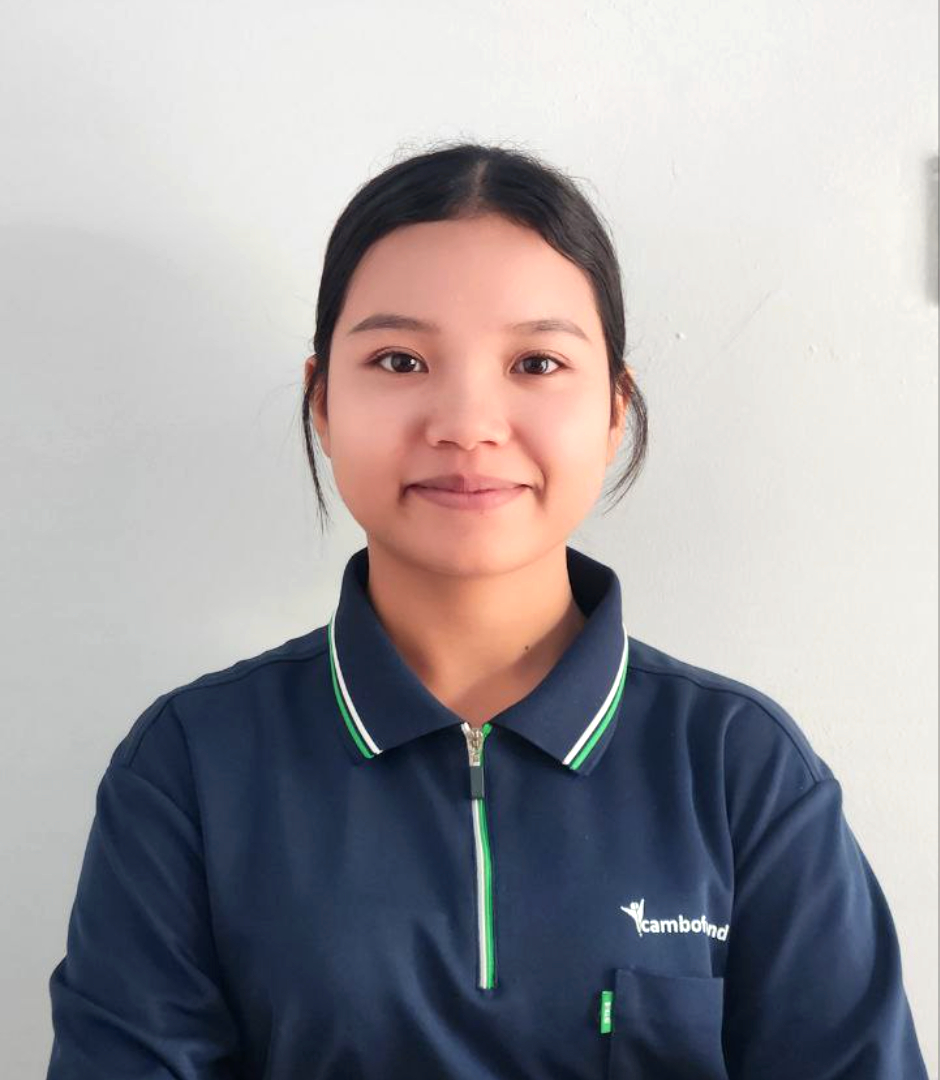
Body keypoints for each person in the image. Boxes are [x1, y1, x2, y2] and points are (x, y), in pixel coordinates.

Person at [45, 141, 930, 1079]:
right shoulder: (191, 765)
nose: (467, 424)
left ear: (614, 409)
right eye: (399, 360)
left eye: (536, 363)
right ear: (322, 403)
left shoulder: (740, 768)